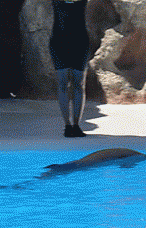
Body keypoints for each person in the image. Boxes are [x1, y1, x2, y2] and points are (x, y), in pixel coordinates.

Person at [49, 0, 90, 137]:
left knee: (79, 84)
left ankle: (76, 125)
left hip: (80, 42)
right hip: (59, 42)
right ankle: (67, 125)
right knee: (62, 83)